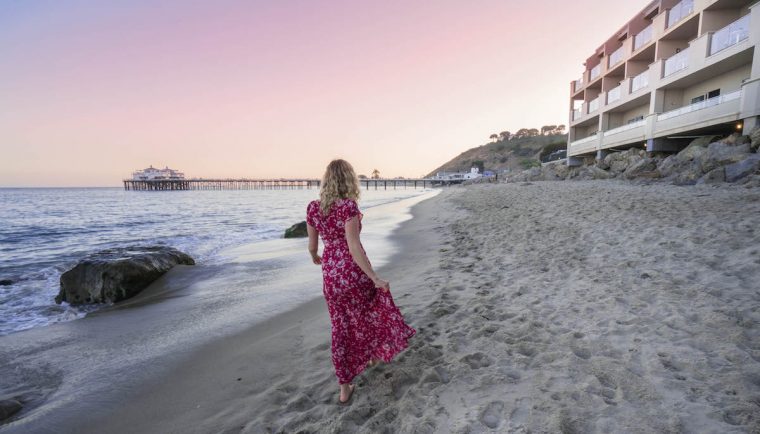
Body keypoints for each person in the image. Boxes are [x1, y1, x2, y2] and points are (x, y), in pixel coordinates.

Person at [306, 159, 416, 404]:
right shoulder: (348, 206)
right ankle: (373, 356)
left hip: (331, 277)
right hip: (353, 272)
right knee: (368, 311)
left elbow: (312, 247)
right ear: (349, 180)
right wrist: (374, 277)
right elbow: (353, 246)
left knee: (340, 327)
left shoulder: (313, 208)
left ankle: (344, 388)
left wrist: (317, 257)